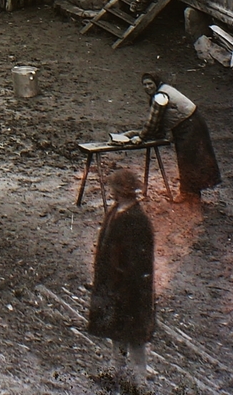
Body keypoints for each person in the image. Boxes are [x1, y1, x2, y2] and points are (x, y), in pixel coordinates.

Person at [87, 166, 156, 391]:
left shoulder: (138, 220)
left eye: (114, 189)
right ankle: (117, 372)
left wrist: (127, 286)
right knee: (117, 331)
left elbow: (140, 262)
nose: (111, 193)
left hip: (131, 289)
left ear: (123, 190)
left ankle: (140, 380)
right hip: (114, 284)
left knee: (135, 337)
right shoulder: (116, 211)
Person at [140, 72, 221, 200]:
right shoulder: (164, 90)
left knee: (189, 160)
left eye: (150, 83)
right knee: (189, 160)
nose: (147, 87)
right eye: (144, 85)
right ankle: (192, 193)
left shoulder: (161, 96)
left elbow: (153, 122)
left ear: (156, 83)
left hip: (190, 126)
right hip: (189, 124)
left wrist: (141, 137)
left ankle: (189, 194)